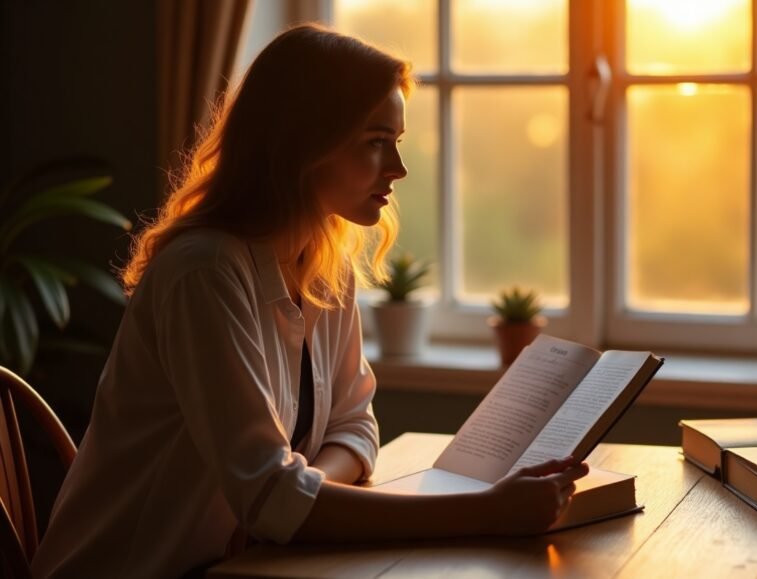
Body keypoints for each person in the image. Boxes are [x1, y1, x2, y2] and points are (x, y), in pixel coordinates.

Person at [31, 24, 587, 578]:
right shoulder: (204, 272)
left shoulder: (326, 265)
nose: (398, 168)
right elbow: (273, 495)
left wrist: (297, 500)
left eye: (396, 141)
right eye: (376, 142)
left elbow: (355, 428)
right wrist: (485, 512)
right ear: (304, 143)